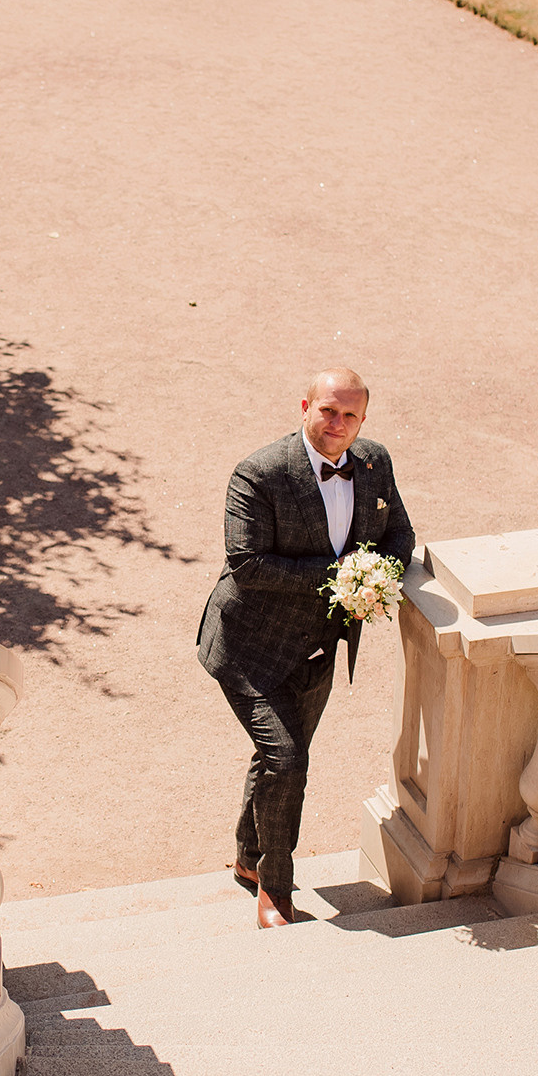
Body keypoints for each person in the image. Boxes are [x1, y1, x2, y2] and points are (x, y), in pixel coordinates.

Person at [195, 367, 416, 928]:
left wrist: (376, 575)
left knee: (278, 760)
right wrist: (345, 576)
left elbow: (400, 537)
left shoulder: (374, 463)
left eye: (350, 415)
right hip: (253, 647)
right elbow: (247, 565)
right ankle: (276, 888)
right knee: (289, 759)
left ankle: (248, 858)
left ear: (362, 420)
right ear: (305, 406)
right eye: (328, 410)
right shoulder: (260, 474)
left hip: (320, 647)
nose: (337, 424)